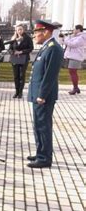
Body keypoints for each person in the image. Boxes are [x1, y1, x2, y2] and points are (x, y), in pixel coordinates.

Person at [26, 20, 63, 169]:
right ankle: (40, 152)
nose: (34, 36)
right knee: (38, 125)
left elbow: (50, 75)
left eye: (36, 33)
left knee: (43, 126)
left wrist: (42, 95)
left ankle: (44, 158)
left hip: (44, 96)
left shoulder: (54, 49)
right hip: (38, 94)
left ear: (45, 32)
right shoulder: (46, 47)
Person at [9, 25, 33, 99]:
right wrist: (13, 52)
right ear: (16, 30)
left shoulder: (28, 38)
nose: (19, 31)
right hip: (15, 58)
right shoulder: (13, 38)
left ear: (23, 30)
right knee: (16, 75)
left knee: (22, 75)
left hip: (24, 58)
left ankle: (20, 92)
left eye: (21, 29)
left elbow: (31, 48)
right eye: (18, 30)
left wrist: (21, 52)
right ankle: (16, 92)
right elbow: (9, 49)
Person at [64, 24, 85, 95]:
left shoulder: (81, 37)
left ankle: (75, 88)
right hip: (72, 56)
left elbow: (73, 45)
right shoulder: (75, 36)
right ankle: (76, 87)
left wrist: (66, 40)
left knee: (72, 72)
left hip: (76, 57)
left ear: (78, 30)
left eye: (74, 29)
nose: (73, 31)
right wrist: (68, 39)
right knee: (72, 72)